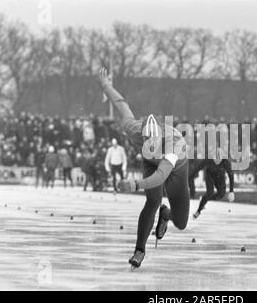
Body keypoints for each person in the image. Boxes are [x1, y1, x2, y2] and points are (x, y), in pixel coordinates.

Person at [99, 67, 189, 269]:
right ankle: (139, 250)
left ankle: (167, 215)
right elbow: (122, 105)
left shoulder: (174, 145)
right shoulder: (134, 130)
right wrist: (106, 86)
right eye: (145, 142)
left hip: (176, 169)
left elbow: (160, 176)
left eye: (152, 144)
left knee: (181, 223)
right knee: (152, 201)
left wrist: (136, 184)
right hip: (151, 165)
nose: (149, 146)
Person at [189, 149, 235, 219]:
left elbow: (231, 176)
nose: (217, 161)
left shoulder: (225, 162)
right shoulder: (208, 159)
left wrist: (231, 191)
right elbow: (197, 169)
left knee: (221, 194)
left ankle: (204, 199)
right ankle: (198, 211)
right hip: (210, 175)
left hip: (220, 176)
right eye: (215, 159)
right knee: (210, 192)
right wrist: (190, 178)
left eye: (219, 159)